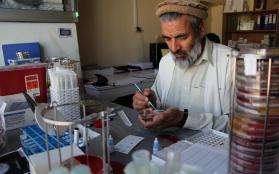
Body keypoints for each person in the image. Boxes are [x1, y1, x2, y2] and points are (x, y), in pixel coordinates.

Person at [132, 0, 234, 131]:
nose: (174, 48)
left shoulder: (231, 62)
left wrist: (183, 119)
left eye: (182, 37)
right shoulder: (166, 62)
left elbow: (240, 125)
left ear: (201, 29)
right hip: (168, 146)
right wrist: (148, 102)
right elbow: (157, 102)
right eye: (167, 39)